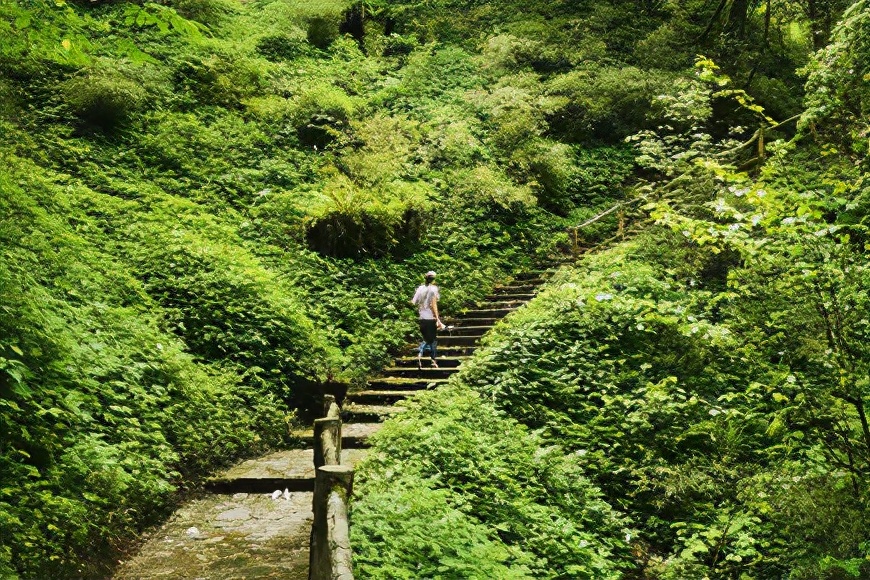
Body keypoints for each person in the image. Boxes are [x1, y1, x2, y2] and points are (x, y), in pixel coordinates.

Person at [410, 270, 444, 369]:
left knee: (426, 338)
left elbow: (413, 302)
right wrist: (438, 319)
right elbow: (433, 304)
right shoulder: (434, 289)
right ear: (434, 279)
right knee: (432, 340)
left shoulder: (420, 288)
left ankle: (420, 355)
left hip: (422, 317)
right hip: (430, 317)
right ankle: (433, 360)